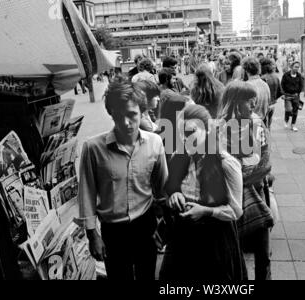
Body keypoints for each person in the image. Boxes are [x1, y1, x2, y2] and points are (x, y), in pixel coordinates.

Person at [78, 80, 168, 280]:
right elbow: (87, 193)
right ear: (111, 114)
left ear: (142, 112)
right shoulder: (93, 148)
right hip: (113, 231)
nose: (126, 122)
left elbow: (162, 189)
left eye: (132, 115)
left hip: (146, 225)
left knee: (147, 274)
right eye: (119, 116)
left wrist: (166, 224)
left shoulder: (154, 143)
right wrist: (93, 235)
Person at [160, 105, 247, 280]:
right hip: (183, 237)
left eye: (190, 132)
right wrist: (175, 195)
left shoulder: (226, 163)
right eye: (181, 133)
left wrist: (206, 211)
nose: (185, 139)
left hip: (215, 239)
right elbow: (170, 188)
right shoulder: (180, 155)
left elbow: (236, 210)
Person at [219, 81, 274, 280]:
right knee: (233, 249)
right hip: (229, 196)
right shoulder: (220, 128)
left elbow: (266, 162)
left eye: (254, 101)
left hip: (256, 191)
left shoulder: (257, 123)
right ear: (235, 103)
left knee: (263, 248)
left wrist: (240, 177)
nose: (253, 106)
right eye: (249, 102)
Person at [242, 57, 271, 124]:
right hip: (261, 122)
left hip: (250, 124)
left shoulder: (246, 86)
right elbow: (268, 105)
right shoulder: (265, 84)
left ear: (246, 70)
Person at [281, 61, 304, 132]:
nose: (297, 68)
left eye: (298, 67)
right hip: (287, 95)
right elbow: (282, 85)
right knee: (288, 109)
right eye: (295, 67)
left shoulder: (299, 76)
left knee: (295, 111)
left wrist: (298, 92)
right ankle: (286, 119)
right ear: (291, 67)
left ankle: (293, 125)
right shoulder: (286, 75)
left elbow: (301, 85)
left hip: (296, 95)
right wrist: (282, 94)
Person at [260, 58, 283, 130]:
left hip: (264, 104)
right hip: (272, 103)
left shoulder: (262, 78)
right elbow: (280, 92)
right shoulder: (275, 76)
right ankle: (268, 136)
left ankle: (265, 138)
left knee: (263, 123)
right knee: (269, 122)